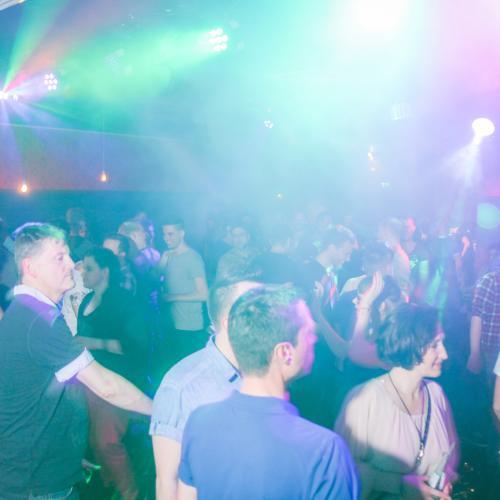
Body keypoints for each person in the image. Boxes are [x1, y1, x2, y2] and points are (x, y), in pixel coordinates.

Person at [0, 223, 152, 500]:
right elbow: (107, 386)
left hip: (39, 471)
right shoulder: (39, 319)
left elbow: (33, 398)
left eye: (69, 256)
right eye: (59, 257)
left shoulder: (29, 312)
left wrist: (66, 453)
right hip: (36, 484)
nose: (72, 264)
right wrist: (162, 411)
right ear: (30, 267)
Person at [177, 286, 360, 500]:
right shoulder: (323, 449)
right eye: (309, 333)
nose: (314, 339)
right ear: (285, 352)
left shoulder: (199, 421)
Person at [335, 303, 458, 499]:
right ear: (410, 343)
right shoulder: (365, 400)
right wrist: (398, 485)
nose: (445, 354)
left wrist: (444, 480)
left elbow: (451, 453)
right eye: (435, 345)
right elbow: (342, 474)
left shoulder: (437, 394)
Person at [150, 278, 260, 499]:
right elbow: (168, 482)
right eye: (256, 309)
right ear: (230, 322)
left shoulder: (265, 368)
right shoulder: (181, 388)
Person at [78, 247, 149, 499]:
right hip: (91, 378)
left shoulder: (123, 301)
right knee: (91, 437)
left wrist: (93, 342)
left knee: (105, 440)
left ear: (105, 271)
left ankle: (131, 492)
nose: (83, 273)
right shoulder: (86, 300)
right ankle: (109, 483)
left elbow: (137, 346)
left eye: (89, 268)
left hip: (117, 379)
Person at [158, 218, 208, 368]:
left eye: (170, 234)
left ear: (182, 233)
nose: (166, 238)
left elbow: (203, 294)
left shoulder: (192, 258)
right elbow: (152, 279)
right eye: (164, 234)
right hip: (171, 324)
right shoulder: (168, 256)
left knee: (189, 372)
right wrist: (162, 262)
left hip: (189, 326)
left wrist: (171, 297)